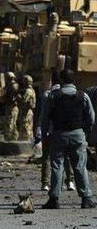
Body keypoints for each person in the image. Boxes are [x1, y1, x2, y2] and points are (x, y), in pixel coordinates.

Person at [41, 69, 96, 209]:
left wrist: (44, 135)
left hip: (58, 135)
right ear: (74, 80)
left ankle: (54, 199)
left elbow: (45, 118)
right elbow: (91, 118)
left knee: (57, 167)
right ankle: (86, 198)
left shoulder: (53, 96)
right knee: (80, 166)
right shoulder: (82, 96)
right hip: (77, 135)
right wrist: (84, 132)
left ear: (61, 80)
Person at [36, 70, 75, 192]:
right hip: (67, 131)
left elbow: (44, 115)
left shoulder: (49, 94)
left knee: (46, 157)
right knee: (67, 157)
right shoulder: (72, 93)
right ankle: (70, 181)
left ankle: (45, 183)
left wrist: (40, 131)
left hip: (50, 131)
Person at [17, 75, 36, 141]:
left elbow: (24, 101)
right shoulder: (31, 90)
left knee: (26, 128)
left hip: (27, 112)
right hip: (28, 111)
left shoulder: (28, 91)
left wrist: (19, 97)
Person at [3, 72, 19, 141]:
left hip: (12, 107)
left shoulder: (13, 86)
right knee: (13, 123)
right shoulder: (11, 85)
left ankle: (8, 140)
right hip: (11, 106)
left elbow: (11, 97)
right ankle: (14, 138)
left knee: (10, 123)